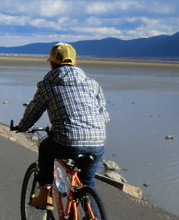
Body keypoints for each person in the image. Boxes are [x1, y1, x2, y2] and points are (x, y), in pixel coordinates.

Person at [12, 43, 109, 208]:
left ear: (51, 63)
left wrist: (22, 127)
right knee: (86, 182)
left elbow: (33, 112)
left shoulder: (47, 86)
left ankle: (44, 194)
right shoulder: (92, 84)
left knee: (45, 148)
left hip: (68, 141)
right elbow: (104, 116)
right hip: (97, 142)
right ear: (75, 64)